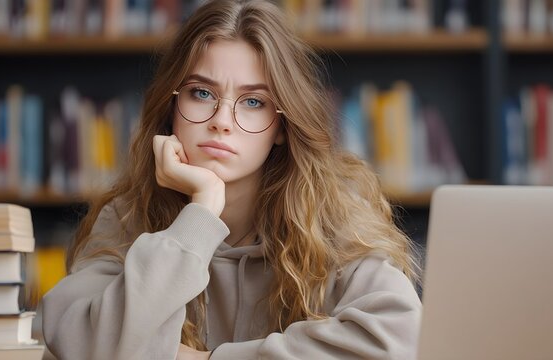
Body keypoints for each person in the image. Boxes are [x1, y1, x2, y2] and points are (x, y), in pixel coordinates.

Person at [41, 0, 422, 358]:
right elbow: (81, 345)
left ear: (282, 126)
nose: (221, 121)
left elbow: (400, 341)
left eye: (253, 101)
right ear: (172, 107)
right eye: (201, 93)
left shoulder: (331, 216)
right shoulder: (128, 216)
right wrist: (200, 215)